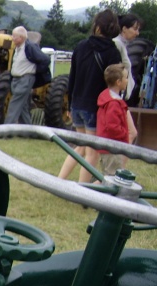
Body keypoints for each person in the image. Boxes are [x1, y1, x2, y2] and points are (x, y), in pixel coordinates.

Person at [58, 9, 122, 183]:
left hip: (77, 104)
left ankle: (59, 181)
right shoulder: (112, 52)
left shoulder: (81, 46)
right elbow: (113, 83)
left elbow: (73, 76)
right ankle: (83, 191)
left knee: (80, 147)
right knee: (91, 151)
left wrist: (70, 102)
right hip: (95, 107)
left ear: (97, 26)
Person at [4, 26, 52, 125]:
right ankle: (27, 129)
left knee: (15, 103)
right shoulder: (17, 48)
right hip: (16, 79)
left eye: (14, 36)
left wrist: (35, 71)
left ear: (21, 38)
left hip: (25, 79)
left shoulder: (30, 47)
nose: (12, 38)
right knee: (23, 106)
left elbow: (45, 60)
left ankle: (6, 130)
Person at [114, 13, 143, 144]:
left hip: (120, 97)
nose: (137, 33)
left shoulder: (122, 45)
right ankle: (118, 165)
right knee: (131, 133)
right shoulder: (117, 44)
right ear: (124, 28)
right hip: (116, 97)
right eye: (135, 29)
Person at [97, 63, 131, 175]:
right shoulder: (113, 104)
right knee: (112, 178)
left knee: (107, 176)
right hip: (112, 147)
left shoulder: (107, 98)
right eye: (126, 78)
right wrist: (124, 133)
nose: (127, 80)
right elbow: (112, 126)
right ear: (118, 82)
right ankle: (86, 191)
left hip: (108, 146)